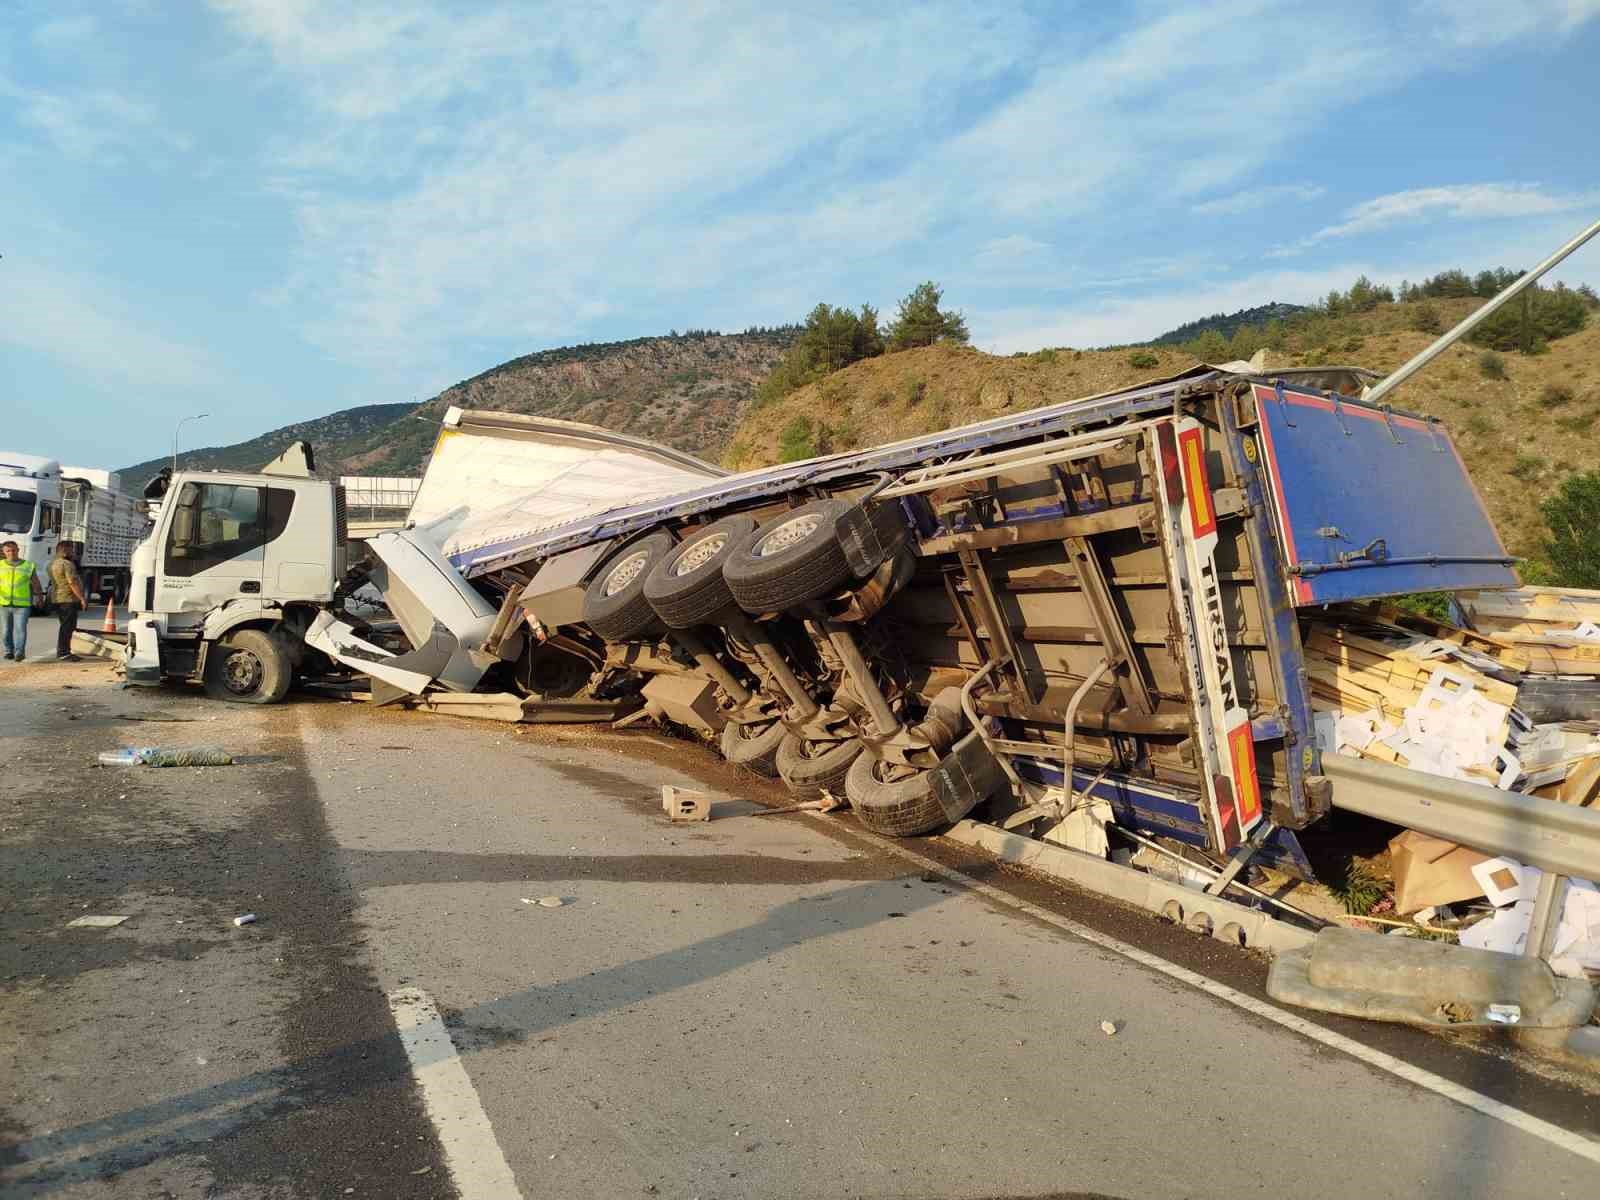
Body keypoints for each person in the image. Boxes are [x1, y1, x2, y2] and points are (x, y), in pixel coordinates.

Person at [0, 540, 44, 661]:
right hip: (3, 604)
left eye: (13, 550)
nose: (11, 553)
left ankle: (19, 652)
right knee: (5, 631)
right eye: (8, 551)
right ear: (4, 552)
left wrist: (39, 597)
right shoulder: (0, 565)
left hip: (22, 605)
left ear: (18, 550)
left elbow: (36, 583)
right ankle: (9, 650)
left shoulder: (28, 565)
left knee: (20, 629)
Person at [48, 541, 86, 662]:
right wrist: (81, 598)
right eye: (71, 550)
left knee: (64, 625)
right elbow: (72, 582)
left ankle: (64, 651)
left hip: (57, 598)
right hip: (68, 598)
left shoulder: (51, 563)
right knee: (68, 627)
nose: (73, 553)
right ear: (65, 551)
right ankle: (64, 652)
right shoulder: (67, 564)